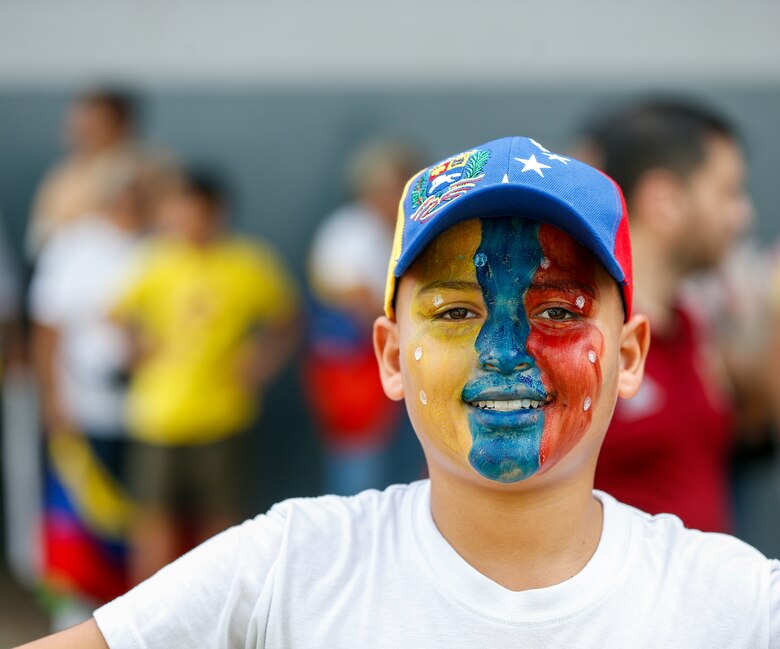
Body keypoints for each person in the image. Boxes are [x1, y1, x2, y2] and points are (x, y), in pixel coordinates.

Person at [17, 136, 779, 649]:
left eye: (556, 312)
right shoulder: (291, 568)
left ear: (629, 354)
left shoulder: (732, 602)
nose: (503, 351)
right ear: (390, 356)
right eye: (455, 313)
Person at [109, 169, 299, 585]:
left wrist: (261, 363)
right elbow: (114, 313)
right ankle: (148, 613)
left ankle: (214, 612)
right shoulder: (153, 260)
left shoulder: (250, 262)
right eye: (178, 209)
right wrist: (135, 346)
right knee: (153, 524)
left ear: (217, 212)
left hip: (225, 414)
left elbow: (287, 320)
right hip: (157, 416)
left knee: (221, 526)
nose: (185, 220)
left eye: (195, 210)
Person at [582, 101, 754, 533]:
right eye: (728, 192)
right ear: (664, 201)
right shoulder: (579, 335)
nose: (742, 215)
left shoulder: (690, 325)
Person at [28, 162, 152, 628]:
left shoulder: (161, 246)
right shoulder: (74, 245)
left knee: (141, 518)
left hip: (150, 414)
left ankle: (129, 618)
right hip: (82, 404)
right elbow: (47, 328)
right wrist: (51, 397)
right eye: (121, 193)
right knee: (75, 511)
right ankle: (73, 618)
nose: (129, 203)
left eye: (138, 193)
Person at [305, 139, 424, 494]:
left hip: (408, 361)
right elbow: (357, 302)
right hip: (356, 365)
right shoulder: (348, 232)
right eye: (391, 187)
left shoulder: (413, 228)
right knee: (360, 469)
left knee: (411, 464)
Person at [26, 86, 170, 259]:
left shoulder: (141, 164)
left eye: (96, 121)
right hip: (61, 260)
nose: (84, 128)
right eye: (81, 119)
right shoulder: (64, 171)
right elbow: (40, 233)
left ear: (121, 124)